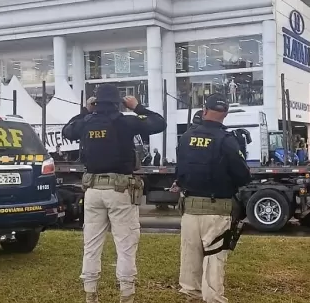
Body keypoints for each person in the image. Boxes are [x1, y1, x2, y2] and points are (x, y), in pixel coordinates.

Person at [62, 84, 167, 303]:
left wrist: (85, 110)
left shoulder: (86, 122)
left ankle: (91, 294)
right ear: (117, 102)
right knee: (125, 245)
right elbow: (159, 123)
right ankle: (126, 295)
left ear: (96, 102)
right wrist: (138, 107)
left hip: (92, 190)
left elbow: (67, 130)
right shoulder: (125, 121)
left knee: (91, 244)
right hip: (120, 190)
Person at [175, 94, 251, 303]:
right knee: (214, 264)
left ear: (204, 110)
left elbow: (180, 171)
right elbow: (243, 175)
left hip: (190, 210)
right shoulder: (228, 141)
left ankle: (191, 296)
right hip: (217, 210)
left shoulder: (186, 137)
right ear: (225, 114)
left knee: (190, 264)